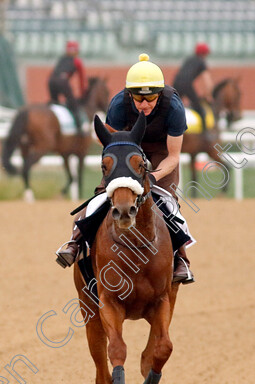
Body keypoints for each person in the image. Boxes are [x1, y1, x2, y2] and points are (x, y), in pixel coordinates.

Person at [55, 54, 194, 284]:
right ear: (129, 95)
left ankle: (181, 260)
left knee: (167, 201)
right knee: (103, 195)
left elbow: (173, 156)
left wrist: (153, 175)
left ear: (160, 94)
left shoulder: (174, 106)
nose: (145, 104)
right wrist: (124, 167)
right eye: (139, 98)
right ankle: (75, 241)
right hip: (127, 148)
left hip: (162, 151)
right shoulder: (119, 104)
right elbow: (109, 142)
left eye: (151, 98)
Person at [173, 42, 214, 141]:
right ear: (204, 53)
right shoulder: (201, 62)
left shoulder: (189, 59)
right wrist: (208, 95)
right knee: (199, 109)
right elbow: (207, 81)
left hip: (176, 83)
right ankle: (205, 135)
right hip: (187, 85)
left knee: (173, 107)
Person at [48, 40, 86, 136]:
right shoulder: (77, 61)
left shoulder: (61, 59)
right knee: (73, 105)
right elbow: (81, 79)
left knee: (54, 104)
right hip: (63, 82)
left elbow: (54, 72)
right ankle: (79, 128)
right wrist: (82, 94)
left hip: (51, 81)